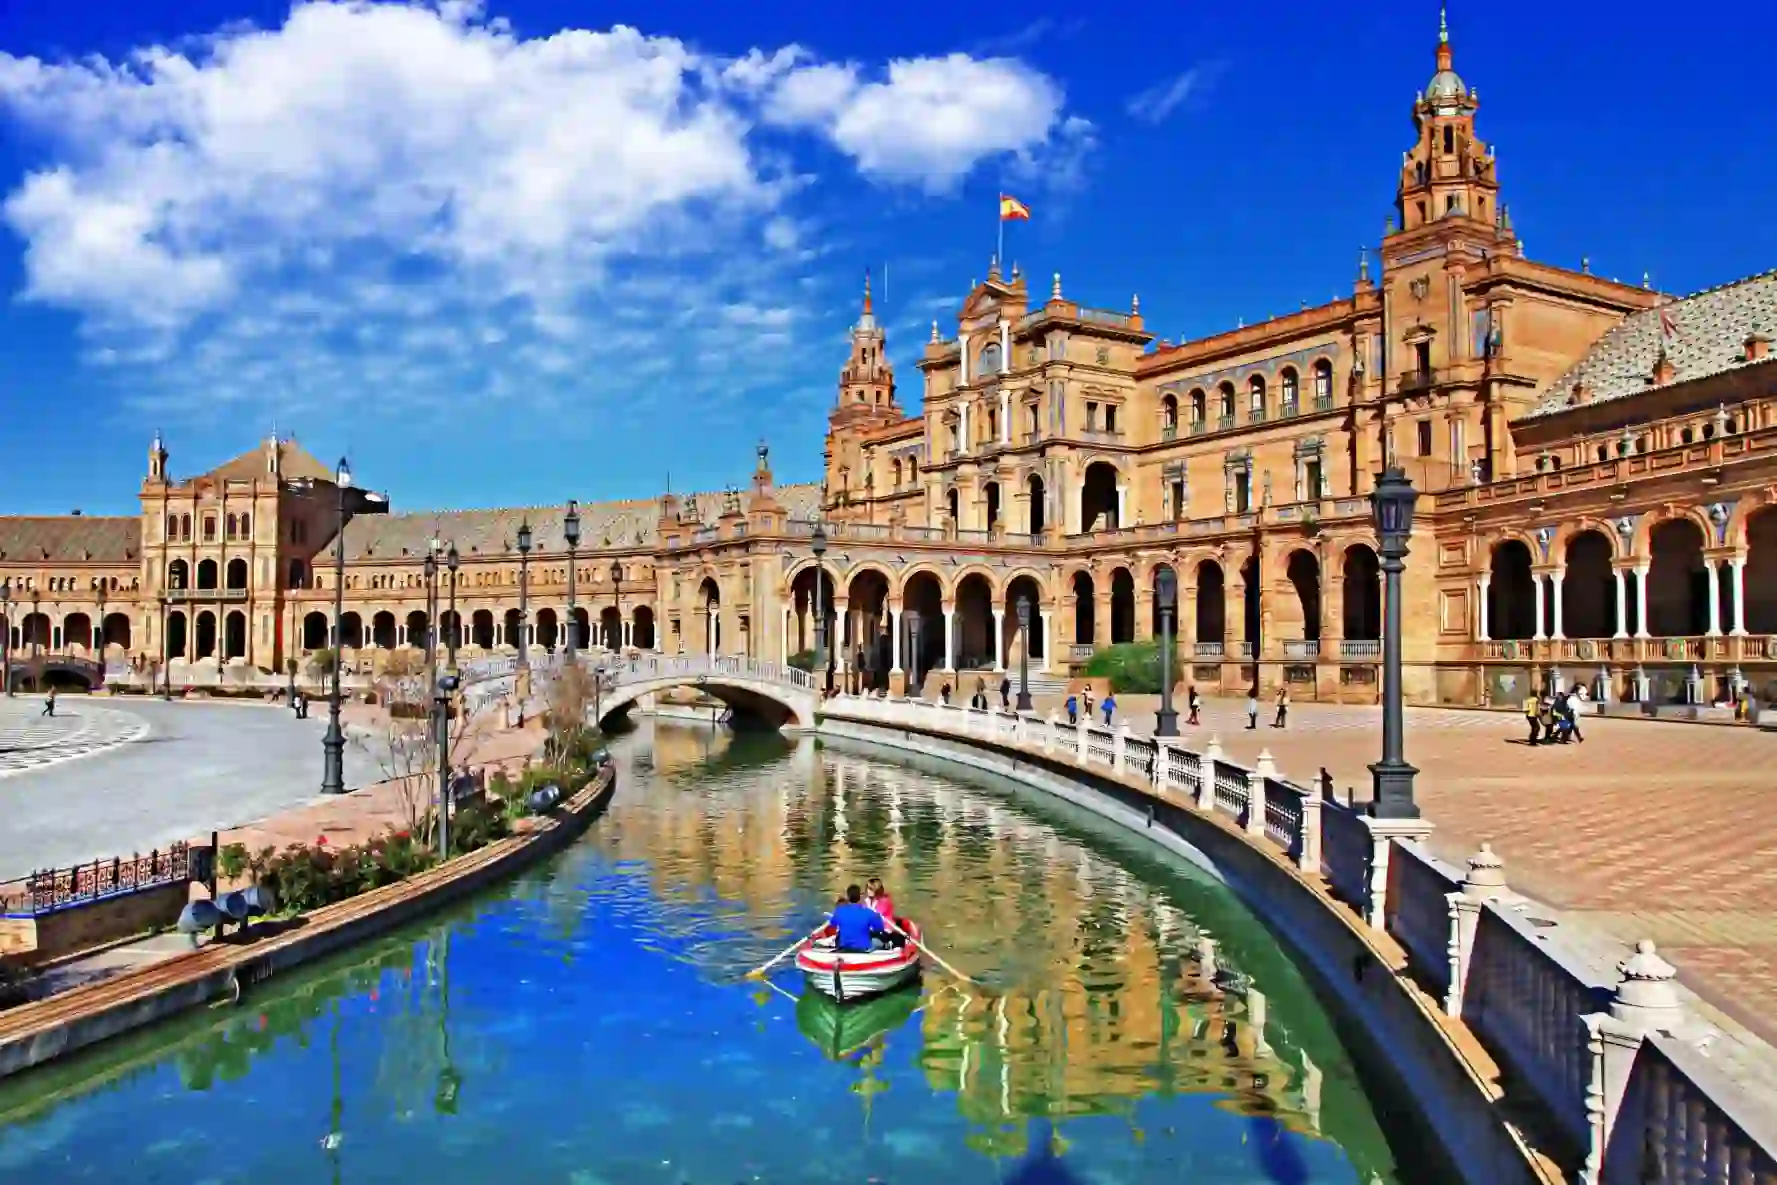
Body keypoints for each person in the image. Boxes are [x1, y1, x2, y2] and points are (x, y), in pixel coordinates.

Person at [828, 883, 888, 952]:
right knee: (878, 941)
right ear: (859, 897)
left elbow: (832, 924)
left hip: (844, 948)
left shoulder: (839, 911)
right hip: (862, 950)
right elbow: (879, 928)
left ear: (848, 897)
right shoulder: (869, 913)